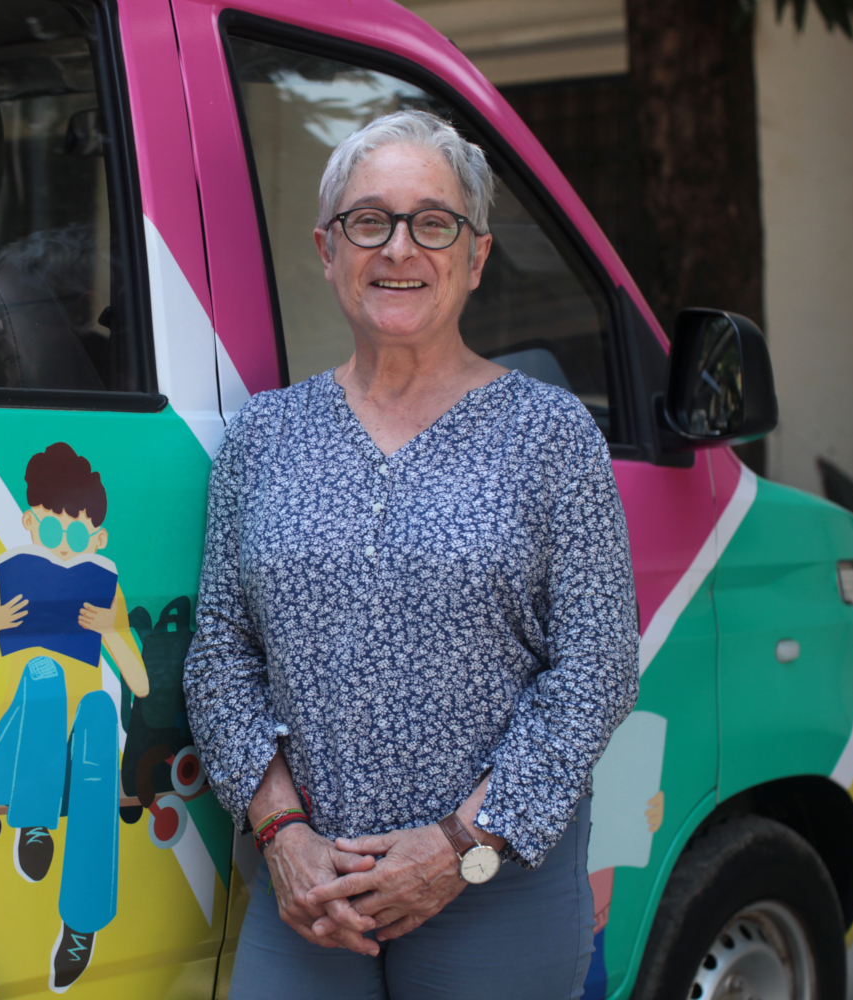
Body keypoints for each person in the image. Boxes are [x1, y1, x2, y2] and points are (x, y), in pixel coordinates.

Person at [182, 110, 639, 999]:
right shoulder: (265, 436)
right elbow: (221, 657)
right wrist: (284, 837)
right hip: (315, 890)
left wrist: (461, 846)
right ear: (327, 248)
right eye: (369, 221)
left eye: (433, 222)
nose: (399, 248)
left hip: (492, 877)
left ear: (474, 256)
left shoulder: (550, 433)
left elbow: (598, 667)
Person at [0, 442, 149, 992]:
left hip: (80, 770)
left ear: (96, 539)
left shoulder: (103, 591)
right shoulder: (15, 579)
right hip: (15, 758)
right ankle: (34, 821)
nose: (64, 548)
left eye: (75, 538)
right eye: (52, 534)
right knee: (44, 673)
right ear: (30, 523)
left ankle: (80, 928)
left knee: (99, 709)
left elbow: (140, 685)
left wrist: (110, 633)